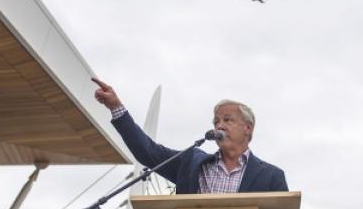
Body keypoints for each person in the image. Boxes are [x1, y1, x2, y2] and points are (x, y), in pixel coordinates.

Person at [92, 78, 288, 194]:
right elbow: (147, 151)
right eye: (216, 122)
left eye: (227, 120)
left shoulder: (272, 176)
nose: (219, 125)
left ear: (248, 128)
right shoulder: (191, 163)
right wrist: (116, 107)